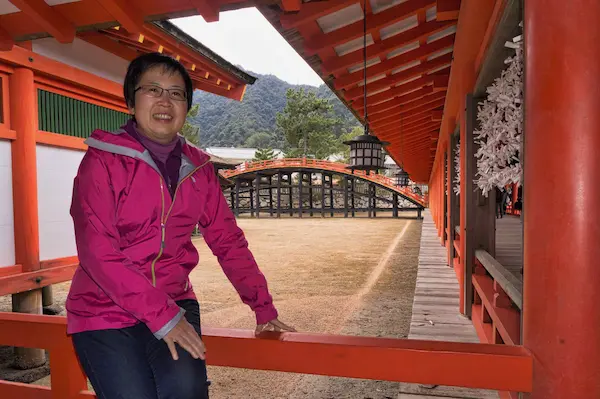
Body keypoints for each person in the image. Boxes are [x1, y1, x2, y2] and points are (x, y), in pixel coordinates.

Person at [66, 53, 295, 399]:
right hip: (103, 308)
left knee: (186, 391)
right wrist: (162, 317)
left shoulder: (199, 169)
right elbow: (98, 254)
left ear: (186, 107)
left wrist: (262, 306)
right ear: (131, 102)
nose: (165, 101)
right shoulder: (102, 162)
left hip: (174, 299)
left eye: (177, 93)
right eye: (153, 89)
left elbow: (227, 241)